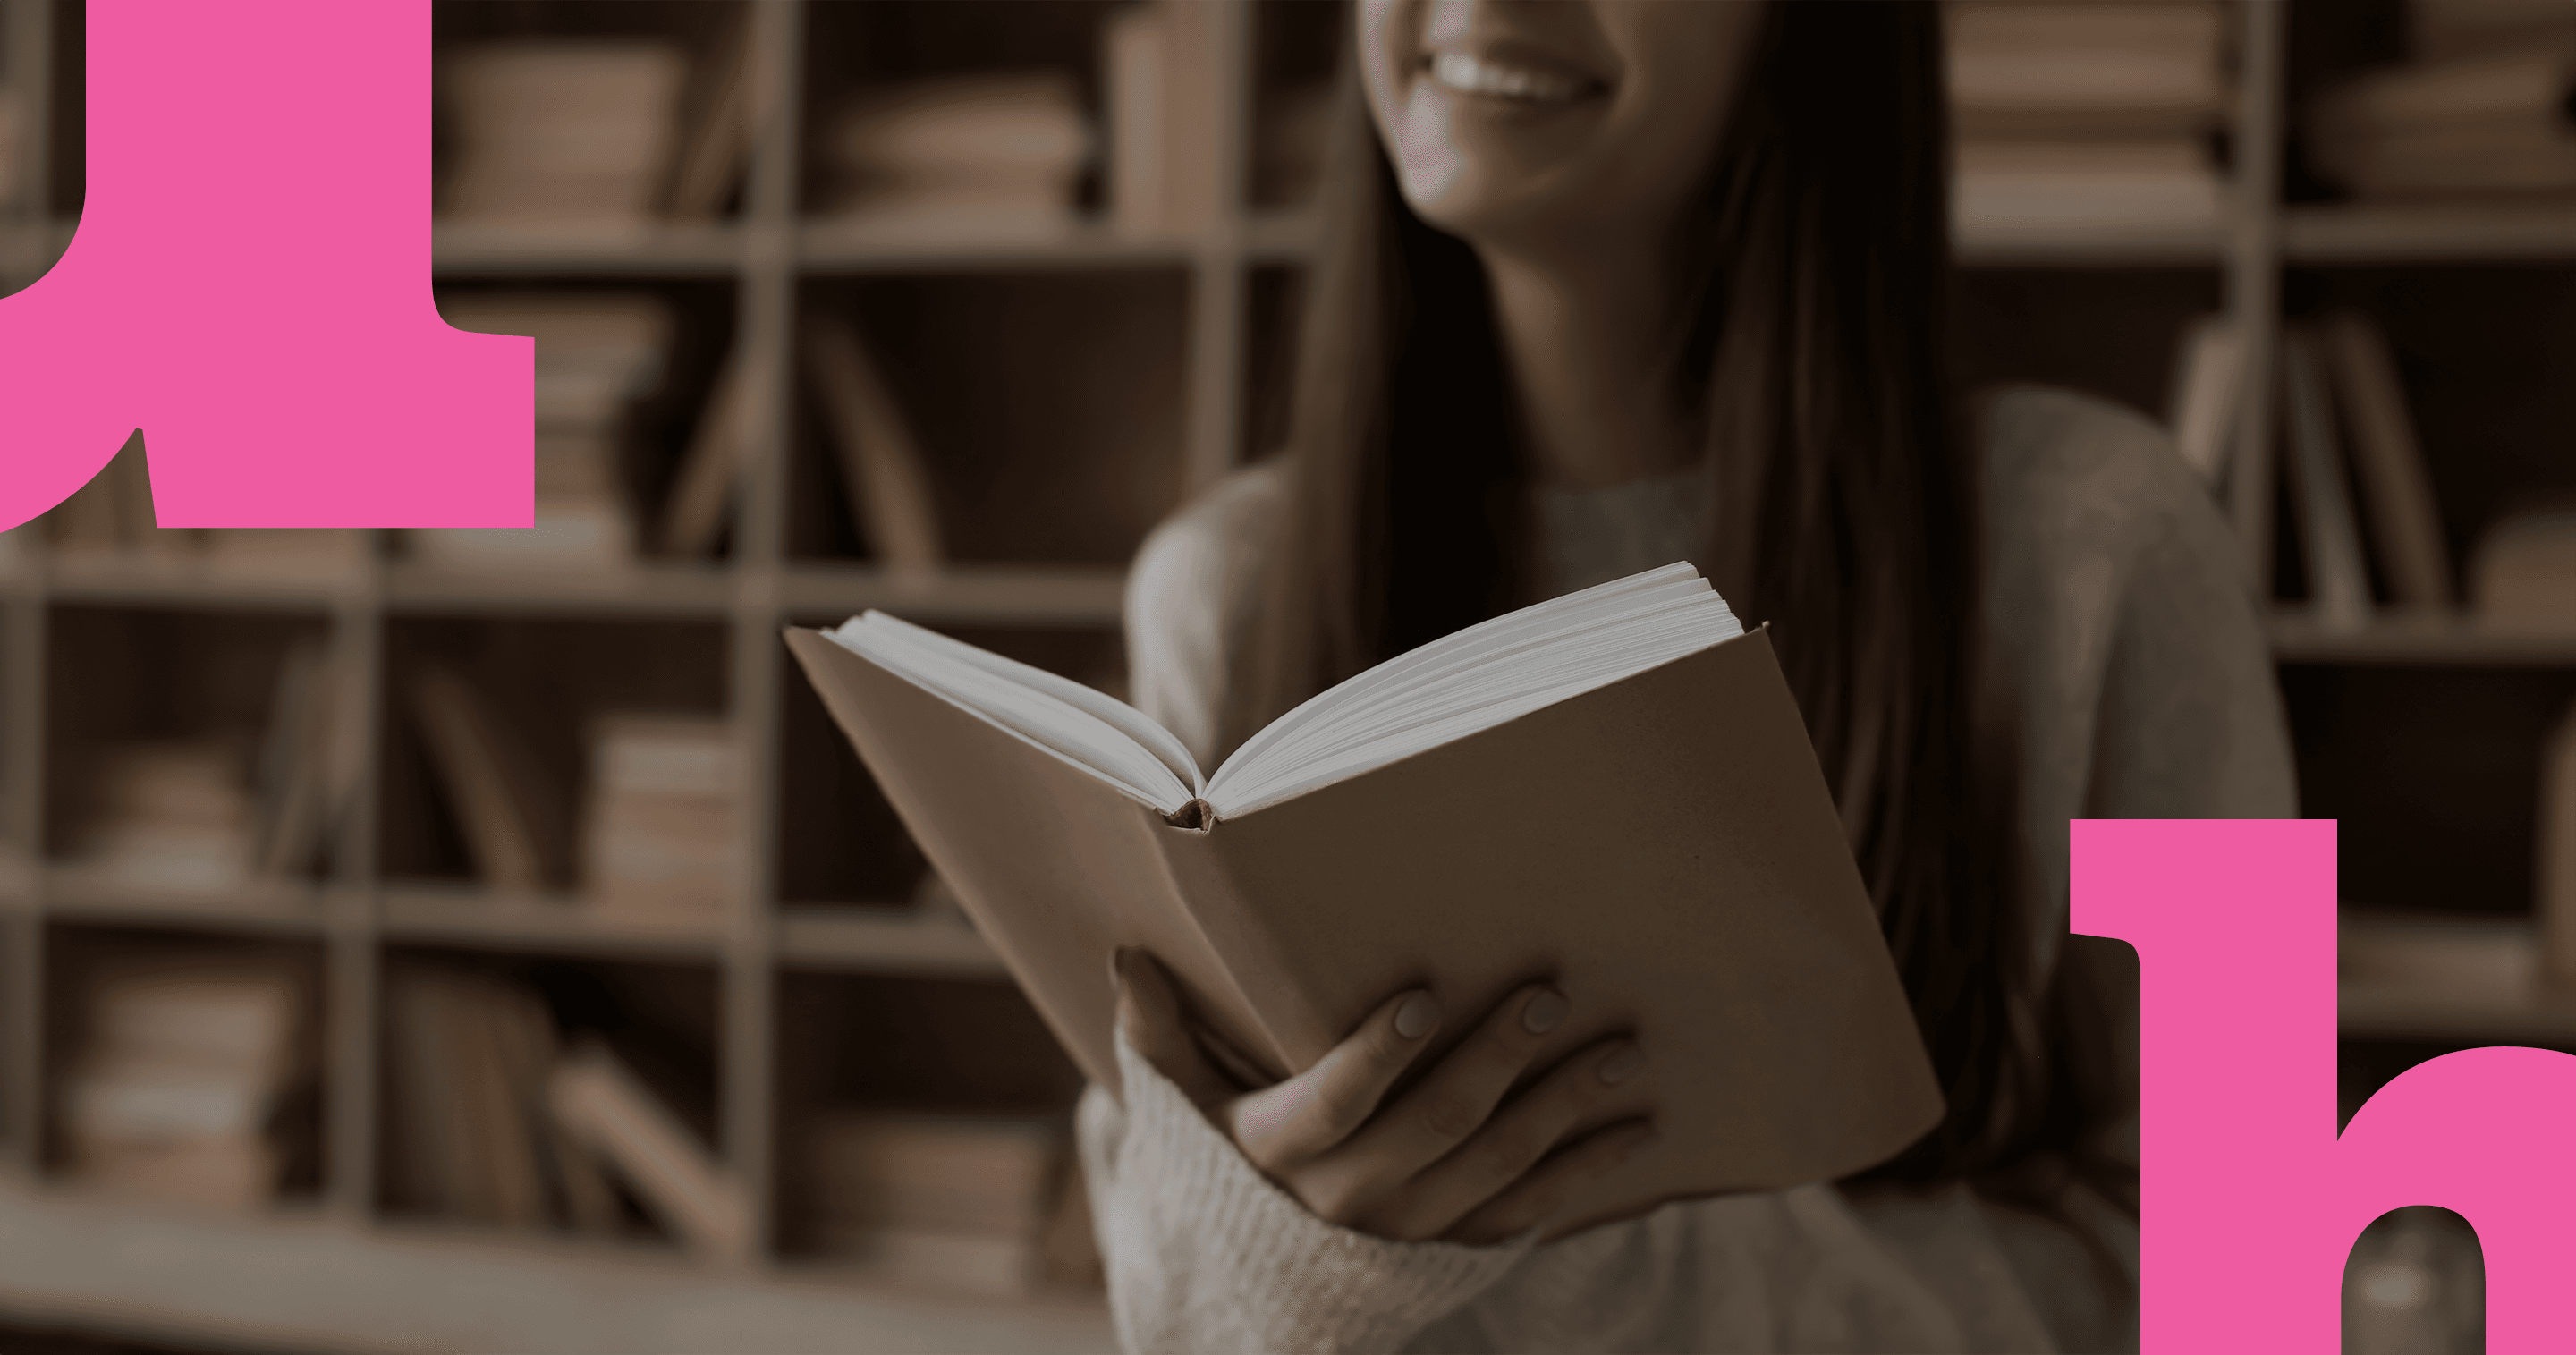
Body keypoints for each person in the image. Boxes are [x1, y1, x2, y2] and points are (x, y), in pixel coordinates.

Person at [1080, 3, 2295, 1351]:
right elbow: (1165, 1300)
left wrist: (1550, 1258)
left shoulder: (2109, 545)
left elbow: (2255, 1270)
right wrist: (1276, 1252)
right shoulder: (1224, 584)